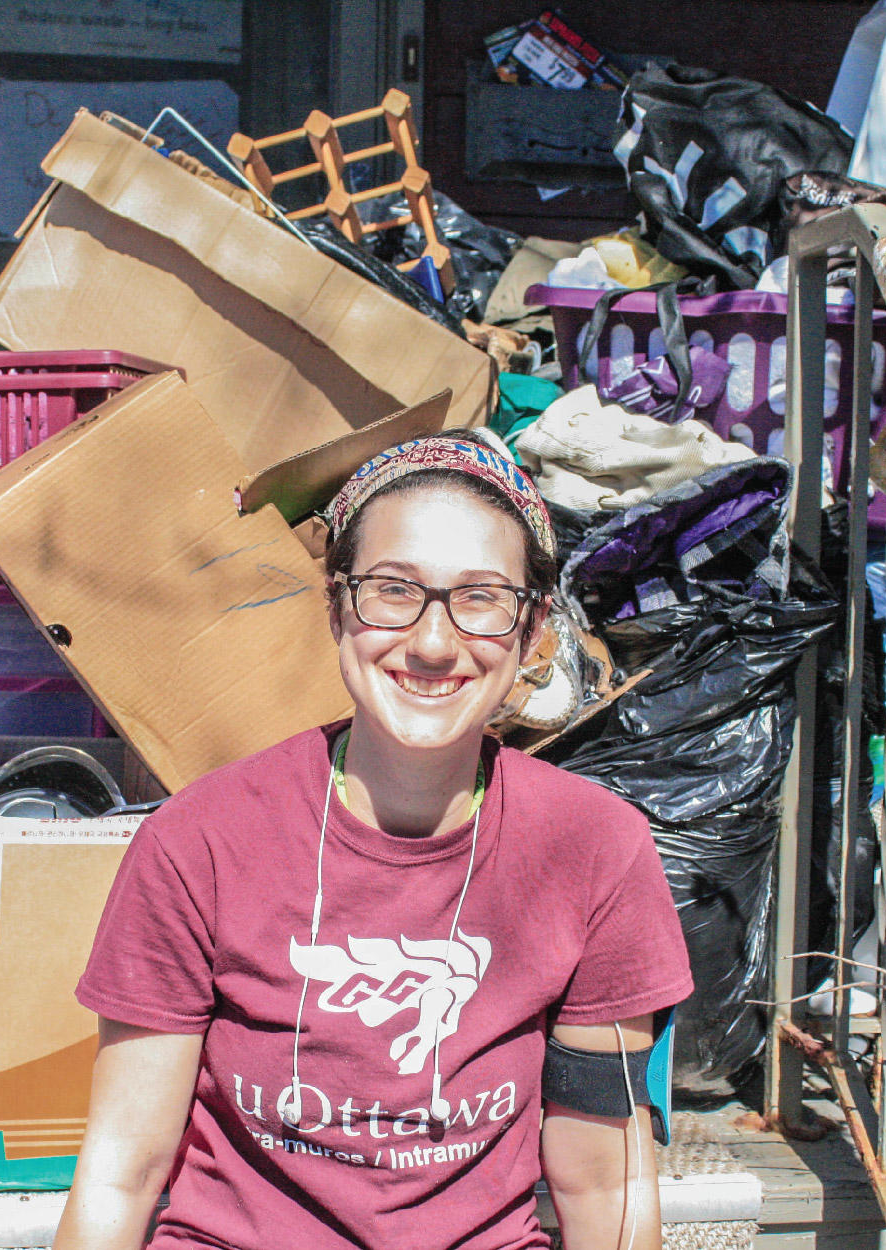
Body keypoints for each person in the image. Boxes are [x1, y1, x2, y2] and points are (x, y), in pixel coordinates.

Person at [55, 434, 693, 1250]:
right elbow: (122, 1170)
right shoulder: (201, 842)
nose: (432, 644)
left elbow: (605, 1182)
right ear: (335, 607)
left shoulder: (595, 849)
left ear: (533, 629)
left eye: (483, 598)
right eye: (393, 591)